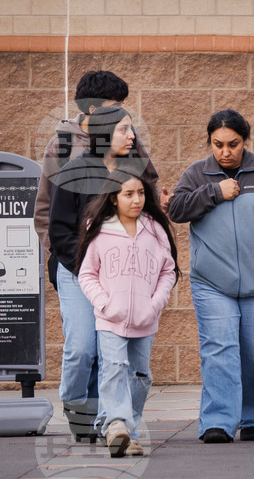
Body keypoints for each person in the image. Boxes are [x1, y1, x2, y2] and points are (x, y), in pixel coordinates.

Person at [168, 109, 254, 444]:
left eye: (233, 144)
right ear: (210, 142)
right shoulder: (197, 173)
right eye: (218, 144)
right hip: (211, 283)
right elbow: (176, 210)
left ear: (245, 141)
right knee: (219, 349)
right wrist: (214, 192)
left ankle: (253, 417)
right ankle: (218, 421)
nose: (225, 152)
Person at [48, 105, 146, 442]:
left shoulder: (135, 172)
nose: (131, 135)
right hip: (76, 271)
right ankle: (76, 406)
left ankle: (110, 421)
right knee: (82, 349)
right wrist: (88, 268)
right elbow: (59, 230)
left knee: (113, 354)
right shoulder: (73, 172)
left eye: (131, 129)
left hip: (120, 277)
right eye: (123, 129)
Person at [77, 169, 179, 457]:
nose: (137, 200)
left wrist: (155, 304)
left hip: (145, 319)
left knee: (140, 376)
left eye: (141, 193)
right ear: (113, 198)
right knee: (113, 369)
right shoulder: (99, 229)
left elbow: (168, 271)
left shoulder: (155, 230)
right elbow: (87, 274)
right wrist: (104, 304)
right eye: (129, 194)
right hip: (110, 318)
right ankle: (117, 426)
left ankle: (127, 432)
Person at [34, 70, 159, 291]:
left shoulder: (130, 139)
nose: (122, 110)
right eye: (116, 105)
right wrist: (60, 253)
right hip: (76, 266)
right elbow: (45, 204)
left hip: (123, 265)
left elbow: (148, 184)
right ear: (93, 109)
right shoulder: (62, 145)